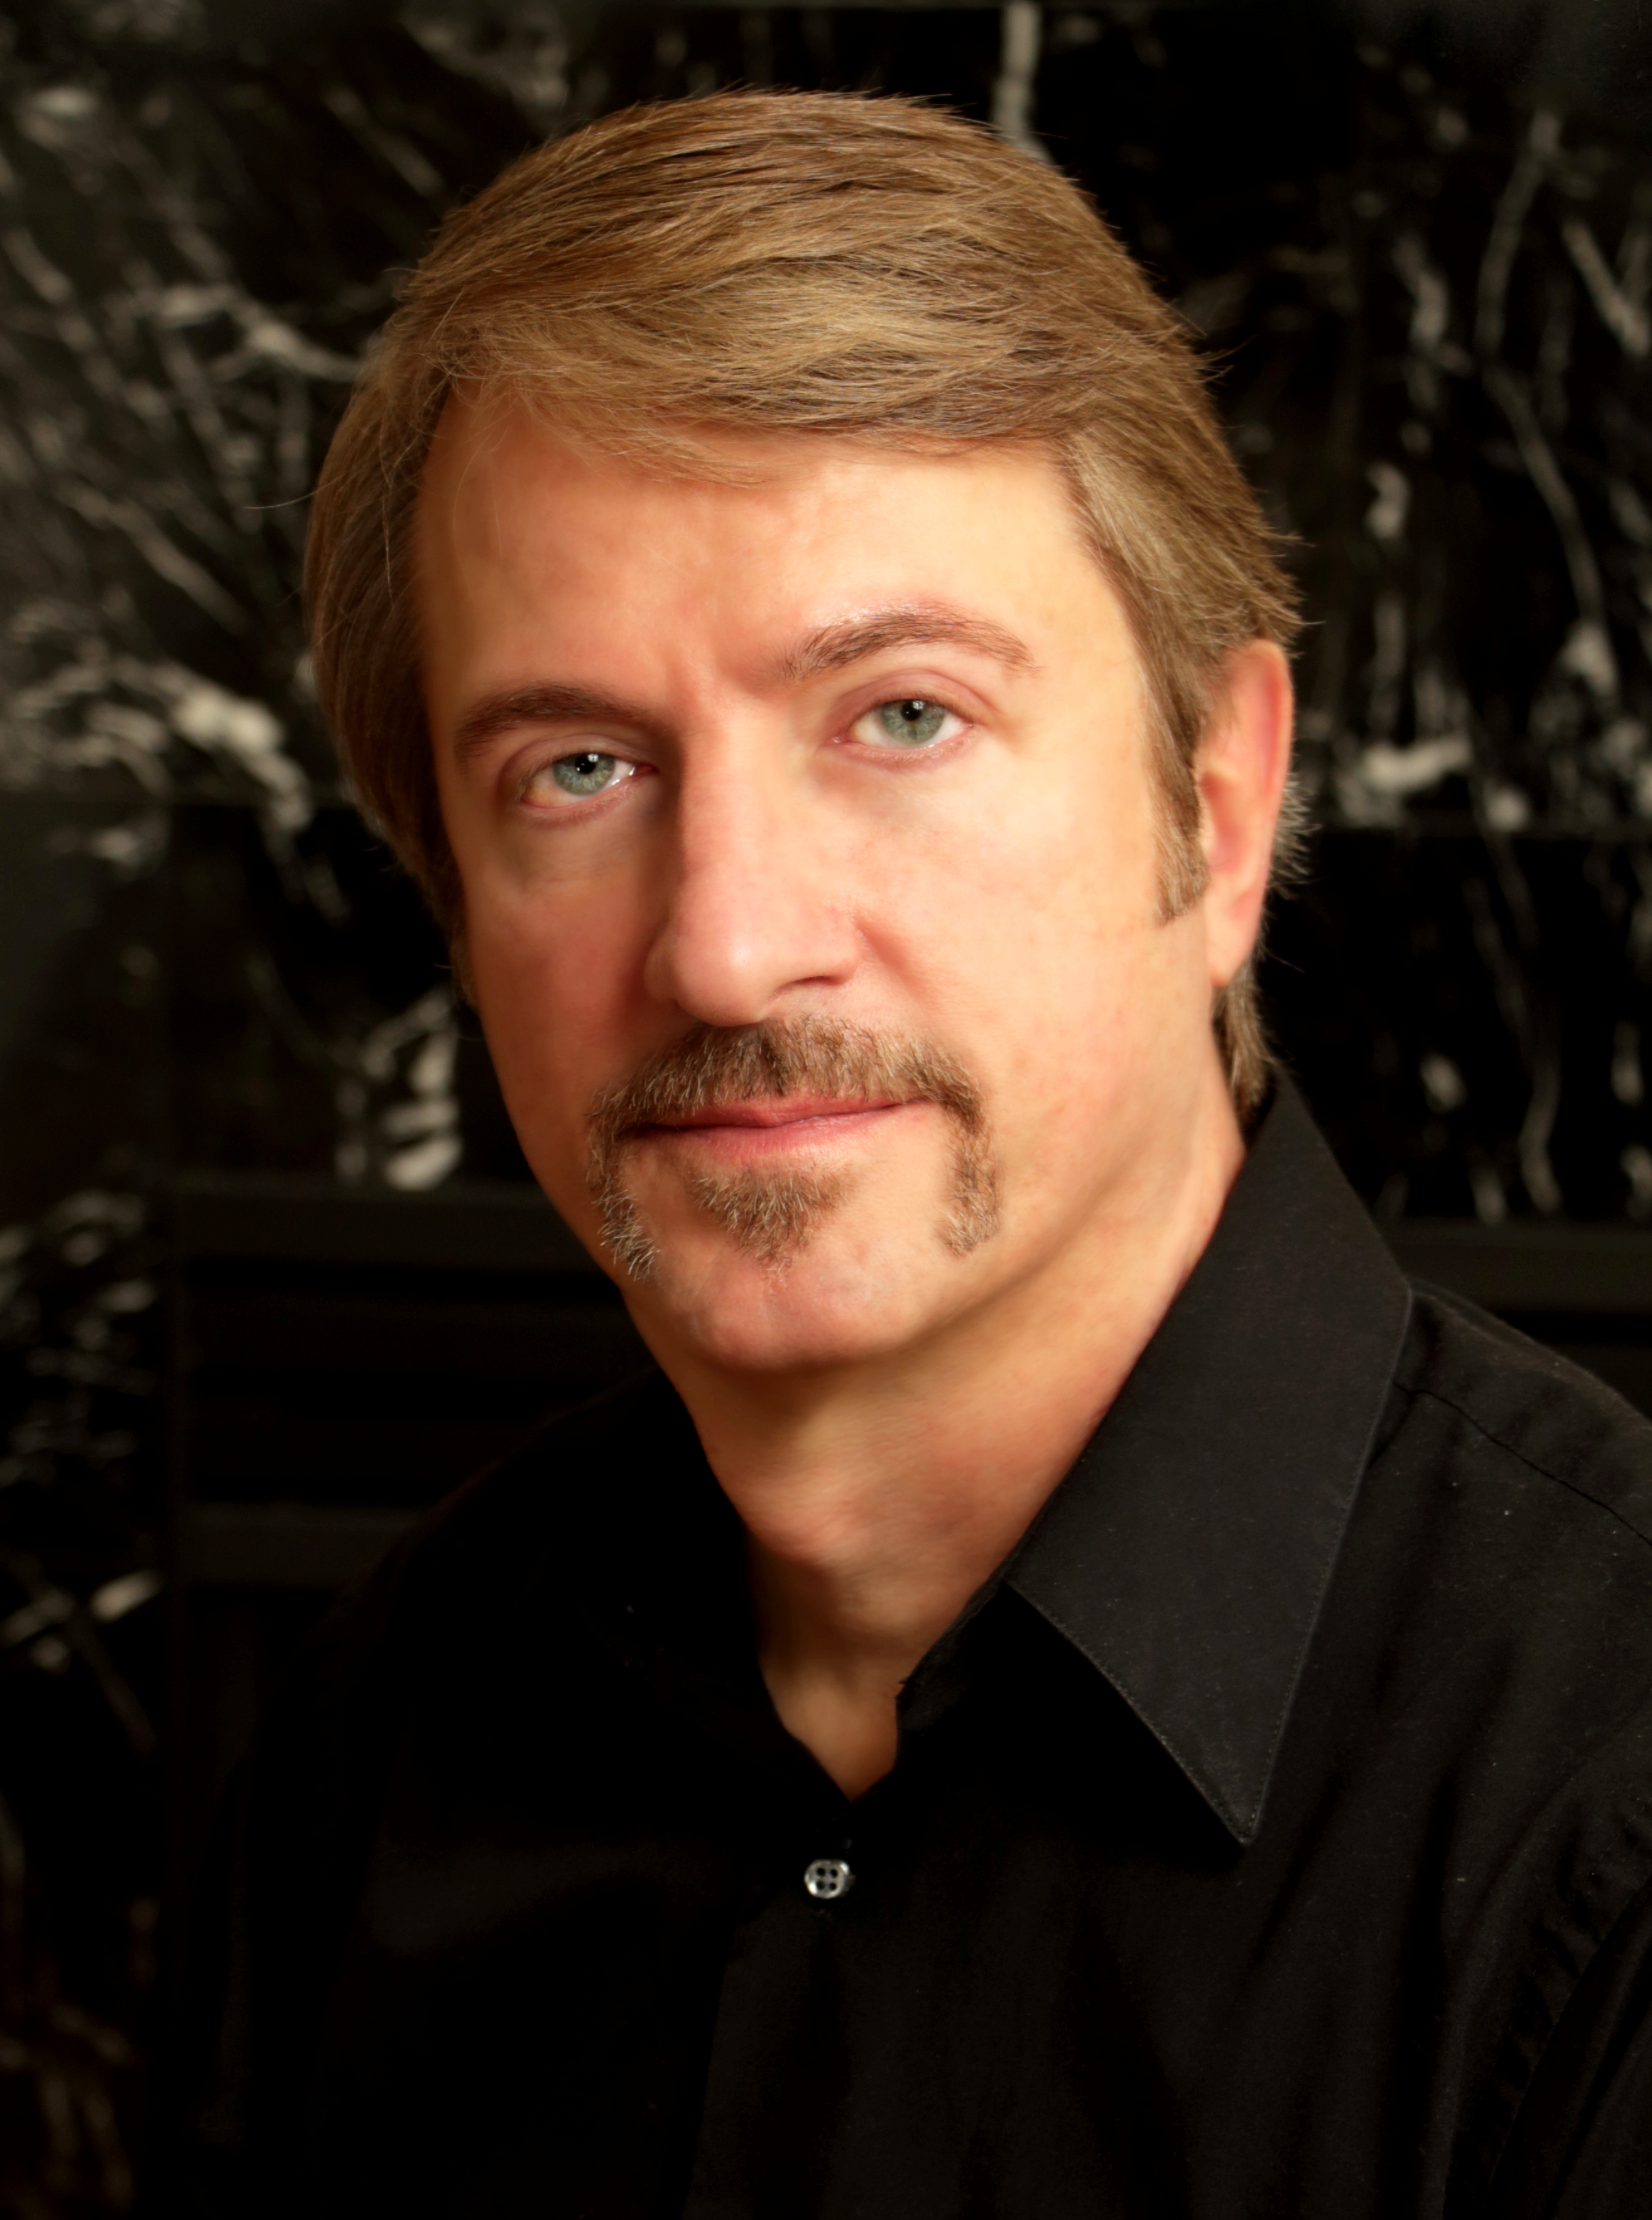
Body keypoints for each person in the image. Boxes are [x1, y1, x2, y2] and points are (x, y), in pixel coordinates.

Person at [172, 91, 1652, 2217]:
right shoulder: (371, 1748)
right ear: (453, 901)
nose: (725, 944)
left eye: (903, 716)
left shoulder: (1609, 1817)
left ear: (1218, 806)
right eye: (578, 768)